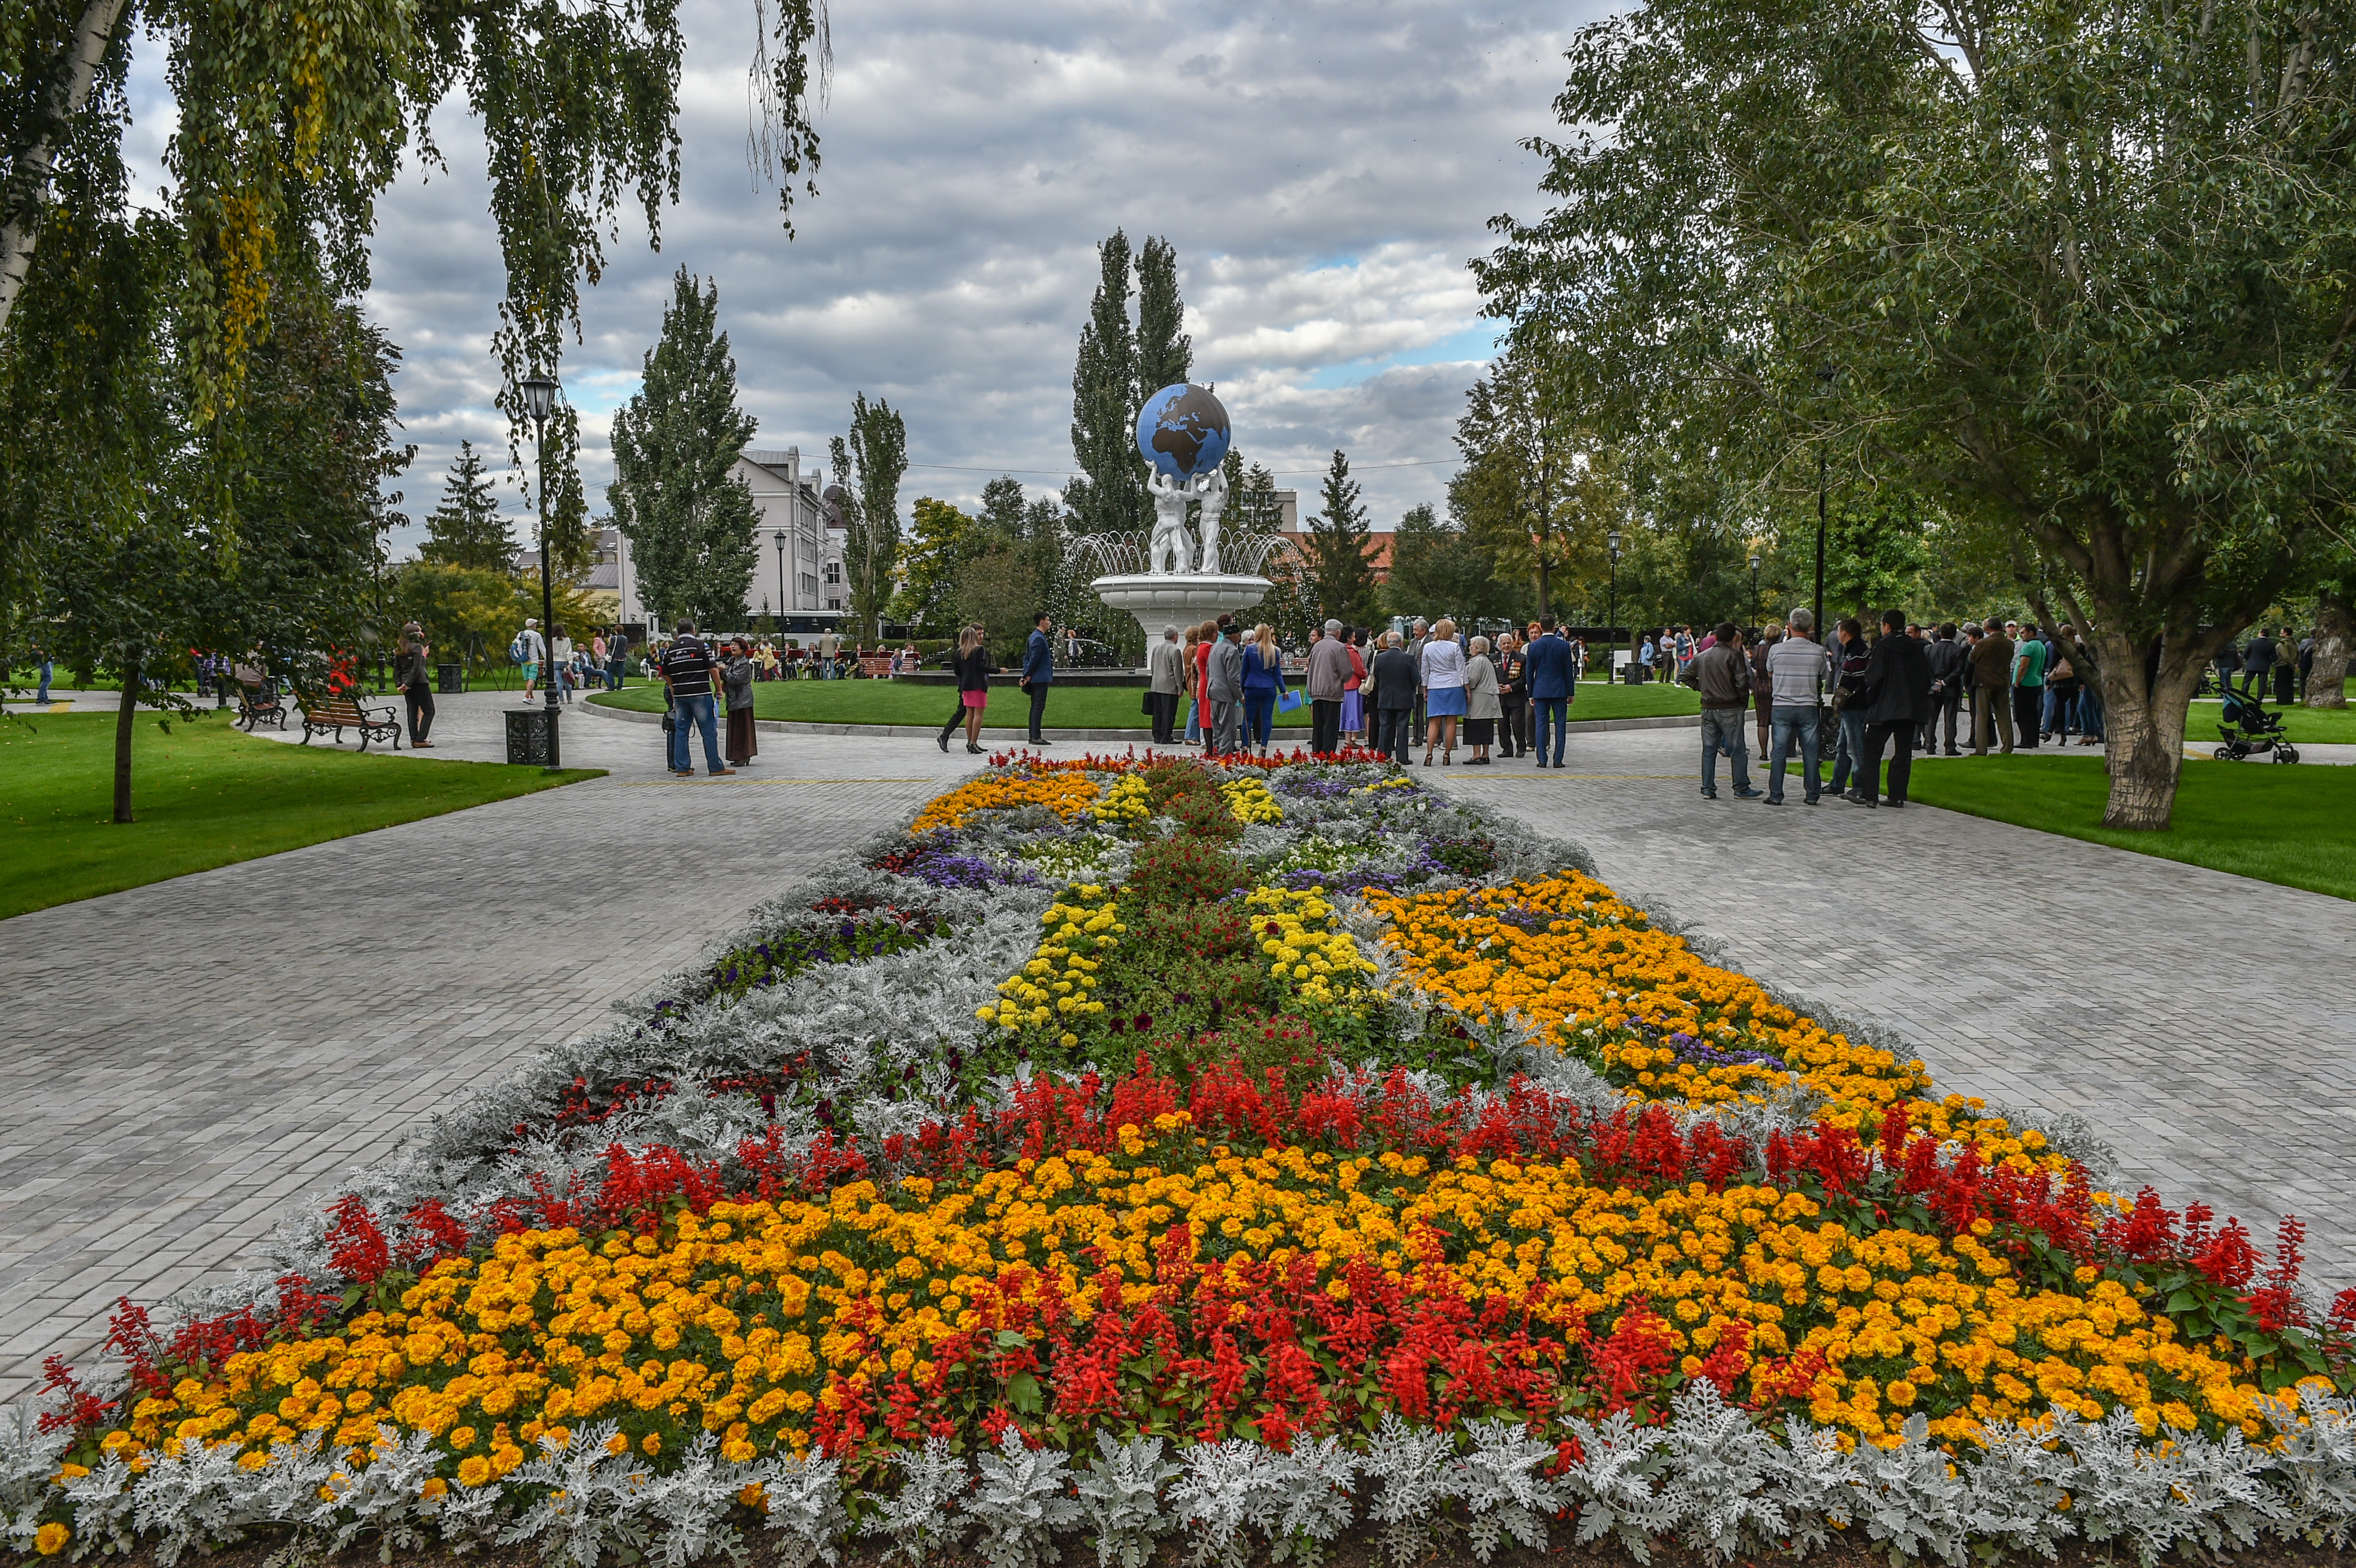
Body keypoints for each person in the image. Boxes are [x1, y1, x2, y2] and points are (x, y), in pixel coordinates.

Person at [1847, 608, 1935, 807]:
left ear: (1886, 626)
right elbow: (1924, 677)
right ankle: (1897, 795)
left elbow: (1873, 677)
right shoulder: (1916, 648)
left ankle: (1869, 794)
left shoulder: (1883, 647)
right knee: (1903, 751)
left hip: (1885, 706)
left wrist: (1870, 698)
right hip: (1909, 708)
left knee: (1872, 750)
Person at [1683, 621, 1759, 799]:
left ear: (1715, 637)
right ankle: (1741, 786)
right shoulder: (1734, 655)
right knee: (1738, 749)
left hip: (1708, 707)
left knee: (1709, 749)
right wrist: (1742, 701)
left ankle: (1708, 787)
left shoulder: (1702, 657)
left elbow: (1685, 676)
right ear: (1734, 638)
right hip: (1729, 707)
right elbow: (1742, 681)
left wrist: (1702, 687)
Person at [1764, 608, 1828, 805]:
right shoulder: (1818, 651)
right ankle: (1812, 794)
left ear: (1789, 626)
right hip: (1808, 705)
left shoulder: (1776, 650)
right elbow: (1823, 676)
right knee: (1810, 753)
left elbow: (1770, 673)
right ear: (1810, 628)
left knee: (1779, 752)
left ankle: (1776, 795)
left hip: (1782, 705)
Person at [660, 619, 731, 777]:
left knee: (681, 731)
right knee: (708, 731)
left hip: (680, 695)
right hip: (700, 693)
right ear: (693, 630)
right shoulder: (702, 646)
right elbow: (713, 669)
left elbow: (664, 672)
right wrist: (719, 689)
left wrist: (672, 686)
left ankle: (682, 768)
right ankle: (715, 767)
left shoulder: (670, 650)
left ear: (678, 632)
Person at [1823, 619, 1871, 794]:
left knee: (1855, 748)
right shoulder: (1855, 649)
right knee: (1843, 747)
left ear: (1844, 633)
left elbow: (1859, 680)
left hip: (1855, 707)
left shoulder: (1856, 652)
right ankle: (1837, 784)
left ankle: (1860, 786)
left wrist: (1844, 692)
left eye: (1839, 631)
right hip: (1851, 707)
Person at [1524, 618, 1576, 767]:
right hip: (1560, 690)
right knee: (1560, 724)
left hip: (1540, 690)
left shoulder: (1533, 647)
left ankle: (1542, 759)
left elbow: (1530, 672)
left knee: (1541, 724)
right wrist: (1570, 692)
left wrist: (1531, 693)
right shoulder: (1564, 646)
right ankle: (1558, 760)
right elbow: (1568, 671)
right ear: (1555, 627)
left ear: (1541, 627)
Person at [937, 624, 992, 754]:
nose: (981, 636)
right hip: (970, 687)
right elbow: (965, 671)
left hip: (969, 686)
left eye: (983, 634)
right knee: (964, 712)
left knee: (966, 713)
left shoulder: (972, 651)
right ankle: (947, 736)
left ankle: (972, 742)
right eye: (979, 634)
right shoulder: (973, 651)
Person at [1419, 616, 1467, 765]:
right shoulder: (1454, 647)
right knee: (1451, 722)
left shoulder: (1428, 647)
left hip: (1435, 685)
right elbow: (1462, 669)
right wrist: (1467, 688)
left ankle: (1429, 754)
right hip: (1453, 685)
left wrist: (1425, 687)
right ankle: (1447, 754)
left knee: (1434, 722)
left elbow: (1425, 670)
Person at [1368, 631, 1419, 762]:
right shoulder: (1408, 658)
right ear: (1401, 643)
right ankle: (1402, 757)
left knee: (1385, 727)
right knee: (1402, 728)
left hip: (1385, 697)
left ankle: (1383, 755)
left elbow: (1377, 678)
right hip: (1404, 697)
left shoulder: (1380, 658)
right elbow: (1415, 679)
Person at [1305, 619, 1352, 755]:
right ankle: (1328, 755)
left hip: (1316, 691)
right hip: (1332, 692)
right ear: (1338, 632)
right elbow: (1346, 671)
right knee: (1331, 727)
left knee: (1318, 726)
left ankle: (1316, 753)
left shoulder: (1316, 647)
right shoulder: (1339, 647)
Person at [1968, 616, 2015, 753]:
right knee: (2004, 715)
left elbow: (1972, 658)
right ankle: (2008, 747)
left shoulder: (1983, 643)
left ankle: (1981, 748)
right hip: (2002, 681)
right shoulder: (2009, 644)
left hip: (1984, 682)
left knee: (1982, 716)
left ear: (1988, 629)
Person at [1921, 623, 1967, 755]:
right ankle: (1950, 747)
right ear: (1955, 635)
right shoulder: (1959, 650)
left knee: (1931, 719)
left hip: (1933, 687)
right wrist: (1946, 681)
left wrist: (1933, 681)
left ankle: (1930, 746)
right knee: (1951, 718)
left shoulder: (1928, 649)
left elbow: (1925, 668)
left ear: (1941, 634)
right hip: (1951, 688)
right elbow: (1959, 669)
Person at [1241, 623, 1286, 753]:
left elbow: (1244, 672)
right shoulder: (1275, 651)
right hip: (1269, 687)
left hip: (1252, 686)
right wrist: (1284, 690)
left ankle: (1245, 744)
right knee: (1267, 718)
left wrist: (1242, 688)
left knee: (1248, 719)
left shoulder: (1249, 649)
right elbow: (1277, 673)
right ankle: (1264, 746)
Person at [393, 621, 436, 747]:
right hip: (419, 683)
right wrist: (424, 655)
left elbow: (397, 669)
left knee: (412, 711)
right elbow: (417, 668)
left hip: (407, 685)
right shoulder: (417, 647)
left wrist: (400, 684)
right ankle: (420, 739)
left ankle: (414, 738)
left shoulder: (400, 648)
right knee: (429, 711)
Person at [1206, 616, 1245, 753]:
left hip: (1213, 691)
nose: (1240, 638)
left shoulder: (1215, 647)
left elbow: (1208, 670)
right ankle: (1226, 758)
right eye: (1239, 635)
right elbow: (1233, 678)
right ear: (1233, 636)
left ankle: (1217, 753)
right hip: (1226, 694)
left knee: (1216, 726)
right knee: (1228, 728)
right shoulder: (1232, 651)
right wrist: (1240, 696)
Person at [1461, 636, 1500, 765]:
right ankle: (1485, 754)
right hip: (1489, 699)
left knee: (1476, 726)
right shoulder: (1487, 661)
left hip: (1479, 700)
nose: (1470, 648)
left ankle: (1476, 755)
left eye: (1472, 645)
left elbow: (1472, 680)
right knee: (1486, 727)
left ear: (1477, 648)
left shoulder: (1477, 662)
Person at [1019, 610, 1055, 745]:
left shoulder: (1033, 637)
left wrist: (1026, 674)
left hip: (1035, 677)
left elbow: (1027, 658)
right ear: (1042, 622)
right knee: (1038, 706)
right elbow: (1033, 659)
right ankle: (1036, 736)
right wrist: (1027, 675)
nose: (1049, 623)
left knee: (1035, 706)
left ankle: (1033, 735)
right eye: (1048, 620)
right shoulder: (1039, 638)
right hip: (1040, 678)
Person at [1147, 623, 1186, 745]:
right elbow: (1177, 671)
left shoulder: (1156, 648)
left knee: (1158, 712)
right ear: (1175, 636)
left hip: (1157, 685)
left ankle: (1157, 735)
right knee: (1169, 713)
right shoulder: (1175, 650)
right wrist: (1180, 688)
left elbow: (1153, 666)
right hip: (1169, 686)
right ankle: (1166, 736)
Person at [721, 640, 758, 767]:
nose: (733, 647)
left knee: (743, 728)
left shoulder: (744, 664)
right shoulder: (732, 661)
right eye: (731, 645)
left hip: (743, 700)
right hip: (733, 699)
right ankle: (736, 755)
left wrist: (723, 672)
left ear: (742, 649)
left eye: (736, 645)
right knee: (735, 728)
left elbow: (735, 679)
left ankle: (744, 755)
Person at [2011, 622, 2047, 749]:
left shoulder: (2028, 647)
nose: (2022, 636)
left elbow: (2023, 666)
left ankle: (2026, 740)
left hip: (2026, 683)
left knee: (2022, 714)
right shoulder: (2040, 645)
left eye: (2023, 633)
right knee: (2033, 713)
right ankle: (2033, 740)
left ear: (2031, 632)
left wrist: (2017, 682)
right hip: (2037, 682)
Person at [1748, 623, 1779, 761]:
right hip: (1776, 685)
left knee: (1762, 721)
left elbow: (1754, 665)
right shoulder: (1779, 650)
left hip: (1760, 684)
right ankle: (1776, 751)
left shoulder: (1758, 649)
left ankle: (1763, 752)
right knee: (1778, 721)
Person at [1494, 632, 1527, 758]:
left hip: (1516, 696)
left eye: (1509, 643)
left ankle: (1521, 748)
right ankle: (1507, 749)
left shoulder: (1521, 658)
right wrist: (1496, 686)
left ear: (1512, 644)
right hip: (1501, 698)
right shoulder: (1493, 658)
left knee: (1518, 724)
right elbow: (1491, 676)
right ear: (1499, 645)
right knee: (1502, 724)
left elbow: (1524, 678)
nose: (1506, 646)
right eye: (1504, 643)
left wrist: (1511, 687)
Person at [1341, 627, 1369, 746]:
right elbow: (1359, 669)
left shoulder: (1339, 649)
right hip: (1353, 684)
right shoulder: (1351, 652)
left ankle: (1348, 739)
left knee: (1346, 712)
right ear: (1349, 638)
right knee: (1352, 712)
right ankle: (1349, 740)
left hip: (1341, 684)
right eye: (1353, 636)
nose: (1355, 639)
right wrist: (1365, 675)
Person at [516, 618, 546, 702]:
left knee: (527, 679)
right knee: (532, 678)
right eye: (536, 624)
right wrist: (547, 658)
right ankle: (526, 697)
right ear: (533, 625)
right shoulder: (537, 635)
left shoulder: (521, 634)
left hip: (524, 659)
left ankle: (531, 697)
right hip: (533, 660)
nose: (536, 626)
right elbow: (542, 648)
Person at [2241, 627, 2276, 697]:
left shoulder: (2252, 642)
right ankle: (2259, 698)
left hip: (2252, 665)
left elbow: (2245, 654)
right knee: (2262, 684)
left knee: (2247, 682)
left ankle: (2244, 696)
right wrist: (2268, 662)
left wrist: (2250, 660)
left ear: (2262, 634)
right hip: (2264, 666)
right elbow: (2274, 657)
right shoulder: (2271, 644)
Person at [550, 625, 575, 705]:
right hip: (565, 662)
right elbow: (569, 652)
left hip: (556, 662)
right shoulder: (567, 640)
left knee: (559, 682)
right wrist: (570, 662)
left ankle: (561, 699)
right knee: (568, 681)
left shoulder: (552, 640)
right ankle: (570, 699)